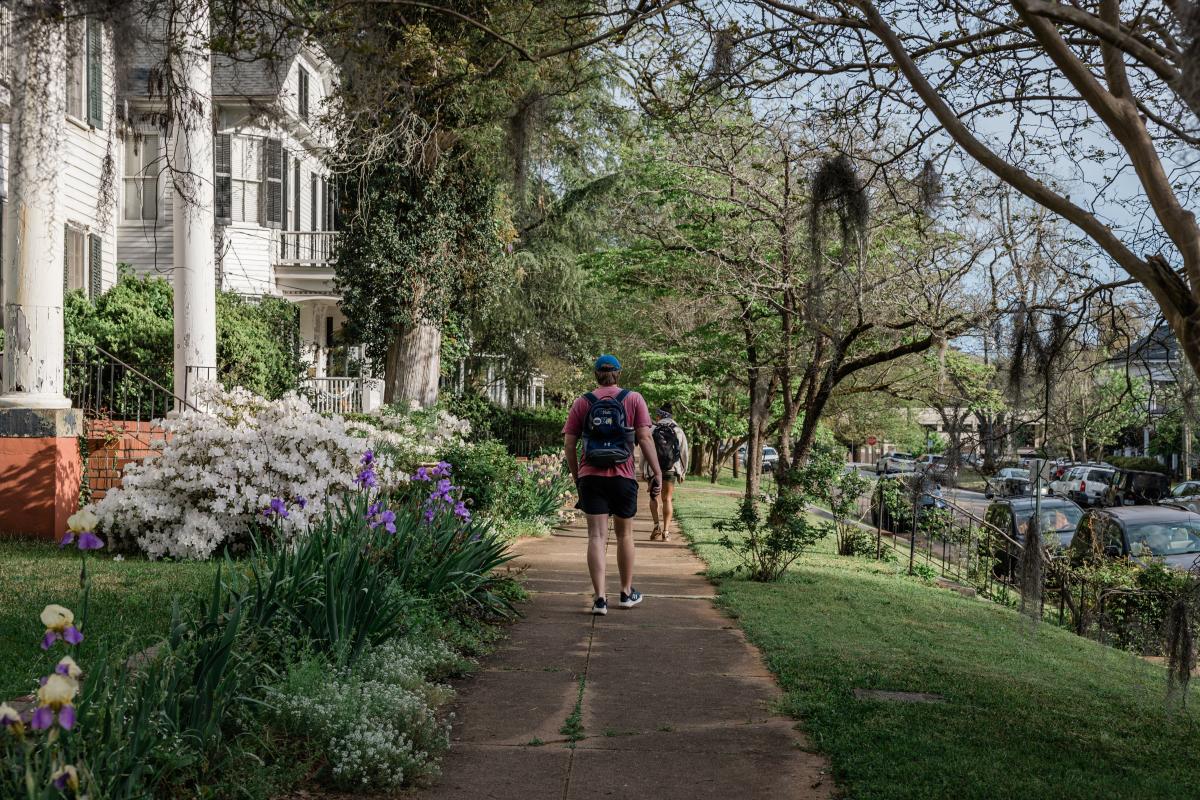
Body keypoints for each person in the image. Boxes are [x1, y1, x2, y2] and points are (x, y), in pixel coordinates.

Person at [563, 355, 663, 616]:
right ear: (618, 373)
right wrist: (657, 472)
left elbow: (570, 444)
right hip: (623, 475)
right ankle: (626, 593)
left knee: (596, 536)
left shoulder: (582, 402)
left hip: (591, 476)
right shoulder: (634, 399)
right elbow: (644, 438)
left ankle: (599, 599)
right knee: (625, 535)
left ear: (596, 374)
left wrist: (578, 475)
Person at [643, 403, 688, 541]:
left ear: (659, 415)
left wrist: (644, 470)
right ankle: (666, 532)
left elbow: (644, 452)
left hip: (653, 468)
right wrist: (683, 471)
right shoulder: (678, 430)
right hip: (671, 469)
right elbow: (684, 452)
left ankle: (656, 527)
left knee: (653, 497)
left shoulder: (651, 430)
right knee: (667, 499)